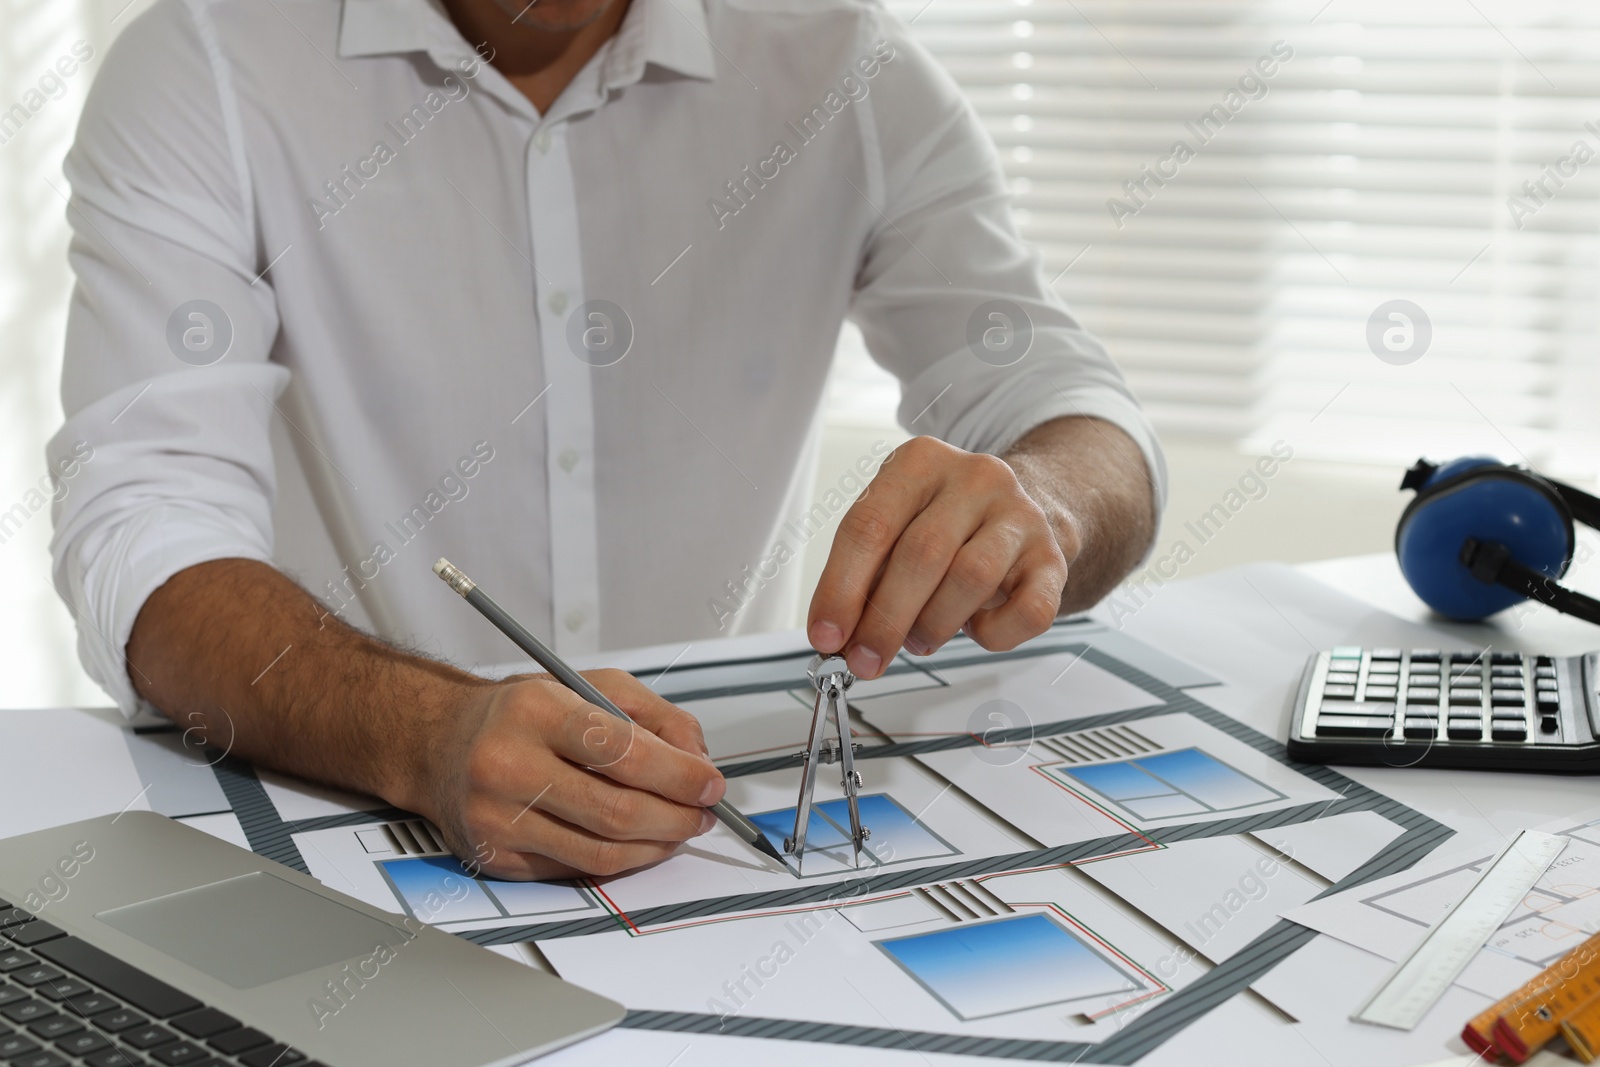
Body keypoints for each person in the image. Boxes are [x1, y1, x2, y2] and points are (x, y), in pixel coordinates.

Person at [49, 0, 1165, 880]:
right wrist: (420, 728)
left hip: (712, 843)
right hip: (344, 814)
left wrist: (1044, 503)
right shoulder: (207, 63)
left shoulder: (843, 60)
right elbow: (144, 524)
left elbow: (1073, 408)